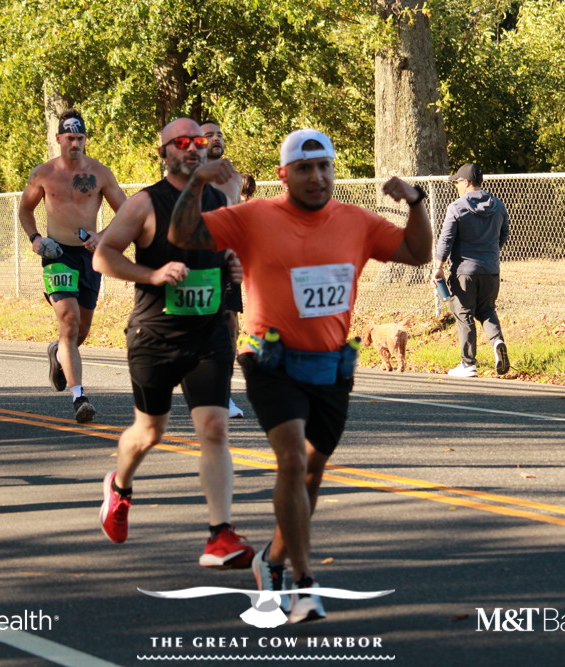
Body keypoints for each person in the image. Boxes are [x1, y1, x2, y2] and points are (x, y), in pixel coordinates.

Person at [168, 128, 431, 623]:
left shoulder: (356, 221)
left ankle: (272, 560)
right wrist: (197, 183)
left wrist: (416, 203)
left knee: (310, 473)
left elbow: (418, 253)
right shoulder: (253, 216)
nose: (316, 177)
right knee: (291, 462)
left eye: (324, 167)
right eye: (305, 168)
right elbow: (183, 236)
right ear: (283, 175)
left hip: (330, 366)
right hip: (271, 361)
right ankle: (304, 584)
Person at [92, 117, 254, 570]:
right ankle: (119, 487)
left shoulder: (221, 199)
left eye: (198, 140)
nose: (192, 147)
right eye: (181, 142)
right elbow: (103, 256)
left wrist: (232, 265)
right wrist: (152, 274)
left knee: (215, 428)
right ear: (163, 152)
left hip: (209, 335)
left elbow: (225, 250)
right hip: (155, 335)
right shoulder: (146, 203)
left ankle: (220, 535)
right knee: (150, 432)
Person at [18, 109, 126, 423]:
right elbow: (25, 210)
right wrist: (35, 238)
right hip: (57, 254)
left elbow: (127, 210)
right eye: (70, 138)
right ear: (58, 139)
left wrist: (102, 236)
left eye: (80, 138)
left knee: (81, 330)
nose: (75, 143)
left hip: (89, 256)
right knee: (69, 319)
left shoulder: (100, 172)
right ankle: (79, 397)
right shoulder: (44, 173)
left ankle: (58, 352)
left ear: (85, 139)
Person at [433, 163, 510, 378]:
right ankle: (497, 342)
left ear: (466, 183)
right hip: (491, 270)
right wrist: (489, 253)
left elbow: (446, 239)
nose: (456, 186)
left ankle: (468, 364)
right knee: (486, 310)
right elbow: (504, 233)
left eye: (457, 182)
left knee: (464, 314)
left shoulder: (457, 207)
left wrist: (438, 267)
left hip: (464, 271)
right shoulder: (498, 205)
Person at [200, 120, 245, 418]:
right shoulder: (187, 176)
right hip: (195, 261)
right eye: (208, 135)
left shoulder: (234, 177)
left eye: (219, 135)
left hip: (227, 263)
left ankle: (223, 396)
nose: (216, 139)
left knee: (229, 327)